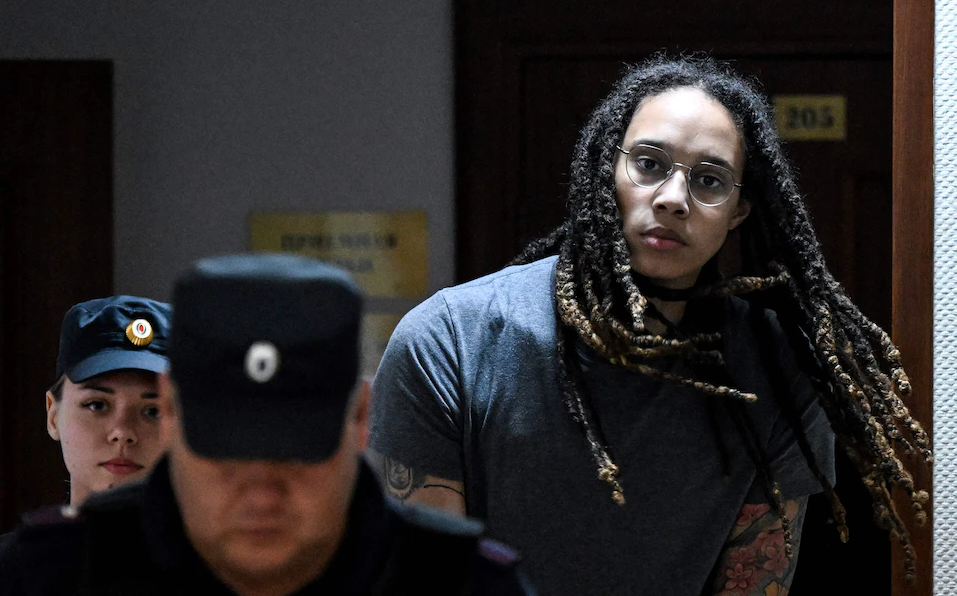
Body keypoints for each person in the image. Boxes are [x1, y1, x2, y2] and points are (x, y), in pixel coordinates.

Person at [368, 55, 932, 595]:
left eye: (709, 180)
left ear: (738, 211)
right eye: (649, 164)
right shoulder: (448, 341)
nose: (673, 199)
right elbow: (429, 576)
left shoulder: (776, 369)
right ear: (606, 167)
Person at [0, 253, 535, 596]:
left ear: (362, 417)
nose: (261, 494)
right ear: (175, 414)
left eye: (294, 452)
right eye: (227, 452)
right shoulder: (50, 577)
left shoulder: (458, 584)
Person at [0, 295, 171, 596]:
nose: (122, 432)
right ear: (53, 415)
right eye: (96, 405)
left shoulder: (218, 576)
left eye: (152, 411)